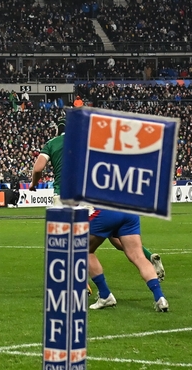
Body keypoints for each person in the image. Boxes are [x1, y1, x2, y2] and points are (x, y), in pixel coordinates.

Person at [30, 117, 165, 280]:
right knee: (113, 235)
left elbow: (38, 168)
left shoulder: (52, 143)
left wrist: (33, 184)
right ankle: (148, 256)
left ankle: (82, 284)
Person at [87, 208, 169, 313]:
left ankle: (105, 295)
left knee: (84, 251)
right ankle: (160, 297)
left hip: (106, 211)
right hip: (129, 210)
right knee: (139, 257)